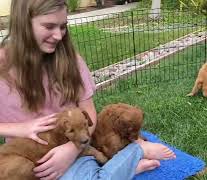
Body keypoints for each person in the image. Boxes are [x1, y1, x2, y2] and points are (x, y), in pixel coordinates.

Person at [0, 0, 176, 179]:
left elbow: (89, 112)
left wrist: (71, 149)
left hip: (72, 149)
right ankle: (125, 167)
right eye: (49, 26)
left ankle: (136, 150)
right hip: (26, 156)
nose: (59, 36)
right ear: (23, 23)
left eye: (63, 26)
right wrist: (19, 129)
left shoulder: (71, 62)